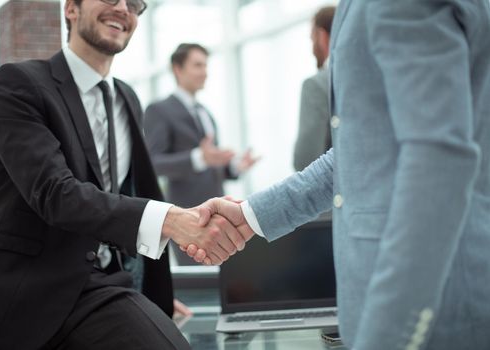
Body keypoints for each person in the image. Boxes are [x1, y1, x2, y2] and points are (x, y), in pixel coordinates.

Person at [188, 1, 490, 350]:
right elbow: (354, 155)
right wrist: (251, 215)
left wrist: (390, 335)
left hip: (428, 306)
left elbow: (438, 163)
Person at [0, 0, 248, 349]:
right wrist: (172, 220)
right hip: (21, 290)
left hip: (100, 288)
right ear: (71, 8)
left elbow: (122, 195)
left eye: (133, 4)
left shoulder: (127, 99)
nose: (122, 8)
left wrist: (148, 299)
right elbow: (56, 193)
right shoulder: (18, 84)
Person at [144, 43, 258, 209]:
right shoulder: (159, 110)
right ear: (177, 69)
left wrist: (234, 167)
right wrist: (198, 157)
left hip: (217, 209)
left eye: (206, 65)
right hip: (185, 212)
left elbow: (211, 165)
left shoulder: (205, 113)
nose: (205, 72)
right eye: (198, 65)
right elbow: (154, 163)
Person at [293, 6, 335, 171]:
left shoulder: (317, 85)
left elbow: (306, 161)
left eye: (312, 39)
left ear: (322, 36)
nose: (312, 50)